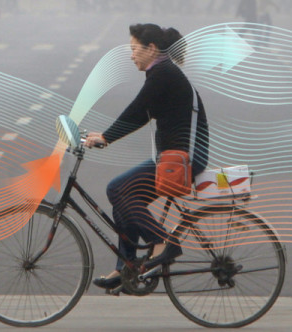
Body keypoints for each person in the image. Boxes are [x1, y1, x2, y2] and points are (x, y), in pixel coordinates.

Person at [83, 24, 209, 290]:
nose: (131, 56)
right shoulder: (162, 73)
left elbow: (137, 108)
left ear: (151, 49)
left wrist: (106, 137)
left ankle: (163, 242)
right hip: (174, 157)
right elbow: (142, 114)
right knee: (123, 195)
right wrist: (106, 135)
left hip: (183, 160)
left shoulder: (162, 73)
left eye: (134, 49)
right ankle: (126, 269)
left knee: (117, 189)